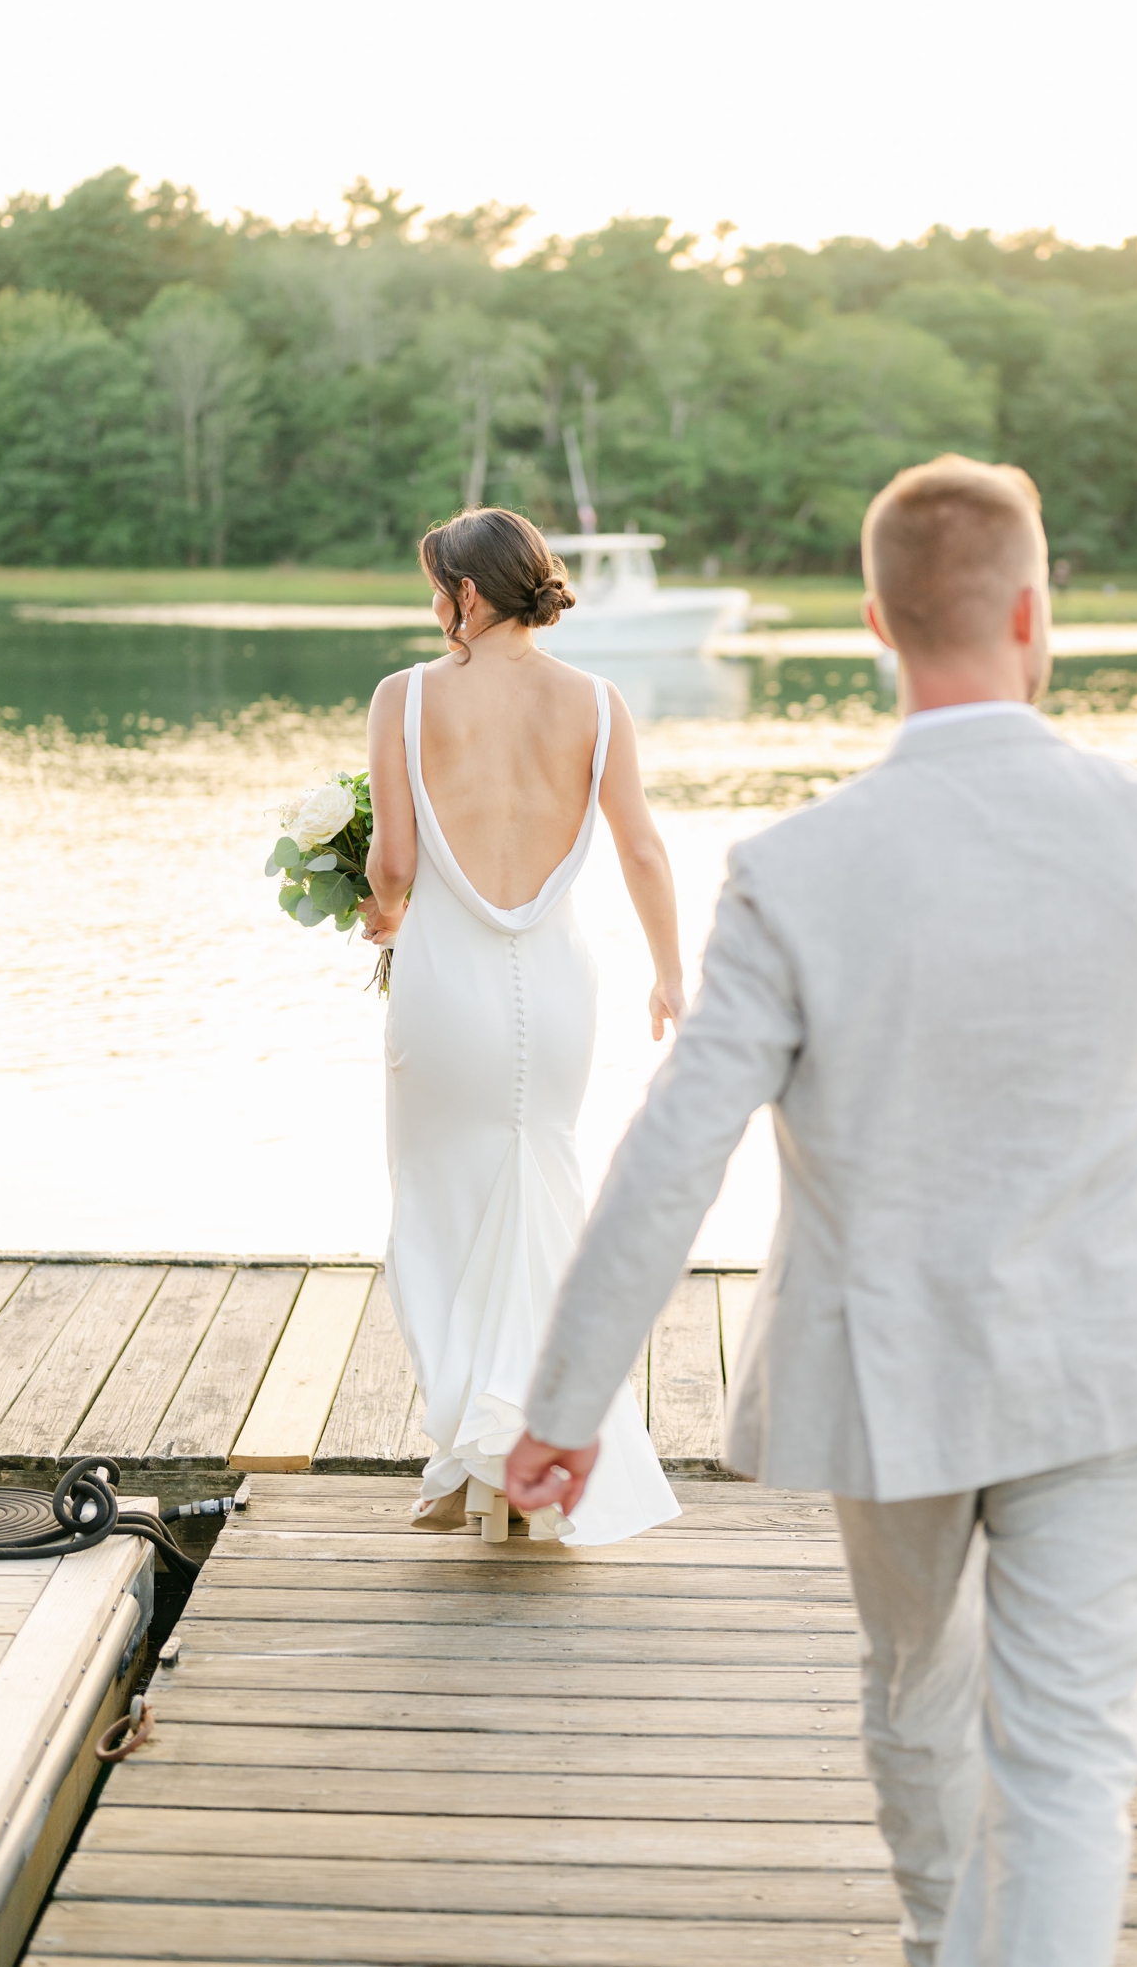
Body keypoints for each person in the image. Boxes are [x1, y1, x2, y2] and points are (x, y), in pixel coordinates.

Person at [507, 457, 1137, 1963]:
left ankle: (937, 1941)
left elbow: (674, 1148)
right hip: (1105, 1363)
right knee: (1068, 1754)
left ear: (876, 624)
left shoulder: (794, 867)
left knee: (911, 1684)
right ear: (1037, 613)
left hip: (888, 1365)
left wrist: (570, 1400)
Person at [360, 506, 682, 1545]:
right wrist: (671, 975)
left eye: (436, 590)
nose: (435, 610)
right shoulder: (596, 701)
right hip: (556, 986)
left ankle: (469, 1449)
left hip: (447, 985)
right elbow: (641, 851)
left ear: (465, 594)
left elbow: (398, 871)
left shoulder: (405, 699)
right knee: (540, 1190)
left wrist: (376, 915)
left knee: (442, 1212)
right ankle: (520, 1460)